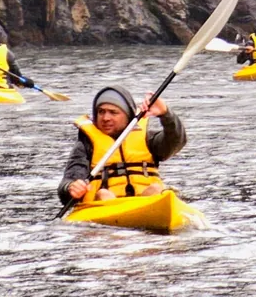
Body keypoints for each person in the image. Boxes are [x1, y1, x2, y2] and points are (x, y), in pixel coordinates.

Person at [58, 86, 187, 207]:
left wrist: (166, 115)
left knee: (156, 189)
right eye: (101, 112)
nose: (105, 118)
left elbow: (176, 141)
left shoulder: (148, 139)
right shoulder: (86, 146)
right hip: (105, 206)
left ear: (128, 116)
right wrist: (71, 187)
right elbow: (67, 184)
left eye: (113, 112)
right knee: (104, 194)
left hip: (146, 203)